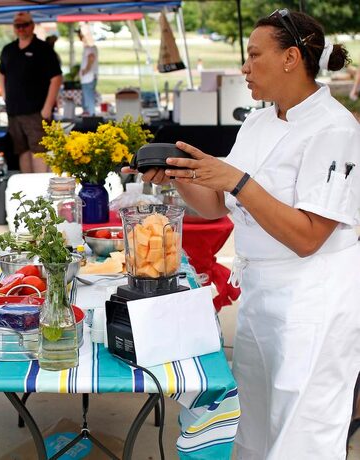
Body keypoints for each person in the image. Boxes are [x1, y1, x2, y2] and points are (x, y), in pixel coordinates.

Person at [130, 10, 359, 459]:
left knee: (301, 434)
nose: (244, 67)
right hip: (260, 297)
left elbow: (308, 236)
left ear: (291, 58)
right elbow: (218, 203)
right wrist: (176, 176)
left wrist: (237, 180)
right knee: (253, 427)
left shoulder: (336, 130)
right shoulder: (258, 121)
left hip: (313, 302)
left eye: (254, 55)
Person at [0, 12, 62, 173]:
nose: (21, 29)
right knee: (22, 151)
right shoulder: (8, 49)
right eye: (17, 26)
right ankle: (27, 193)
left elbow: (56, 78)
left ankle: (40, 192)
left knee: (39, 152)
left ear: (32, 25)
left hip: (36, 112)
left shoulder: (43, 49)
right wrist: (5, 94)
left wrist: (47, 107)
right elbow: (2, 72)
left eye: (24, 25)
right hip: (14, 112)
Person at [77, 26, 99, 115]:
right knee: (86, 98)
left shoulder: (90, 47)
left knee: (89, 98)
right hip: (88, 77)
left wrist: (86, 70)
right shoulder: (89, 47)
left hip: (88, 77)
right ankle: (88, 113)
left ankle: (91, 115)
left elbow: (91, 58)